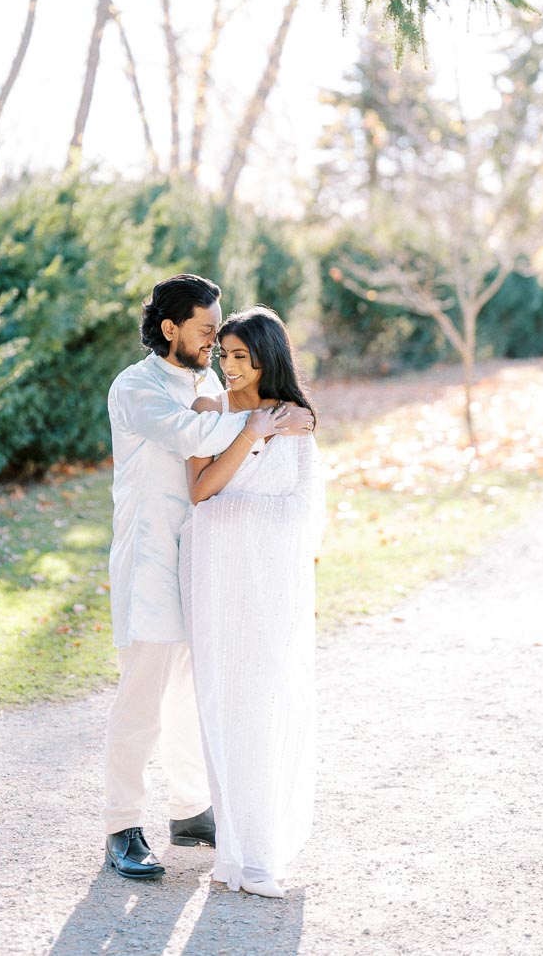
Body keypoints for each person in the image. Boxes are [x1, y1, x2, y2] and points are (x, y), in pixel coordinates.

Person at [103, 275, 313, 881]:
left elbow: (227, 435)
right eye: (203, 330)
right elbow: (191, 434)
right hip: (149, 562)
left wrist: (270, 416)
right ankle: (121, 824)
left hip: (203, 560)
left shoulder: (206, 383)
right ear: (170, 329)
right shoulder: (137, 387)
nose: (213, 343)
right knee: (141, 697)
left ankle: (191, 810)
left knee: (196, 690)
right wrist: (263, 422)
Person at [181, 305, 326, 899]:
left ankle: (263, 852)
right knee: (221, 702)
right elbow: (201, 492)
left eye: (242, 356)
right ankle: (235, 854)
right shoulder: (206, 411)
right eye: (226, 355)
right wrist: (249, 433)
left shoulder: (298, 420)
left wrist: (236, 512)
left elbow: (302, 507)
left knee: (265, 704)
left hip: (270, 586)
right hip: (215, 583)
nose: (231, 366)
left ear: (269, 358)